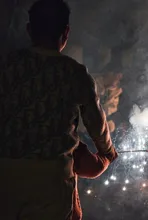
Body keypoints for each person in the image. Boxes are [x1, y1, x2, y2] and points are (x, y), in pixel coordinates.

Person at [0, 1, 118, 219]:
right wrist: (108, 153)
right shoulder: (75, 73)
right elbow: (97, 125)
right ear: (66, 33)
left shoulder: (7, 65)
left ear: (29, 30)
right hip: (51, 185)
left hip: (5, 182)